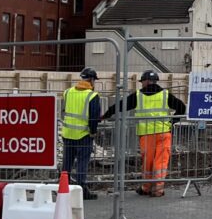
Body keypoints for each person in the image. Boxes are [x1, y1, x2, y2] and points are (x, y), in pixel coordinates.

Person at [101, 69, 186, 197]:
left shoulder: (138, 96)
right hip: (164, 132)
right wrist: (172, 121)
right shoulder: (165, 95)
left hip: (146, 134)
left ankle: (146, 188)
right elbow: (181, 107)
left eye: (142, 82)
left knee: (148, 162)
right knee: (161, 161)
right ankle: (158, 189)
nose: (141, 84)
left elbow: (120, 105)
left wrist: (106, 114)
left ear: (146, 81)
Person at [61, 68, 104, 199]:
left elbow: (64, 111)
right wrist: (93, 132)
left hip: (68, 133)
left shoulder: (67, 92)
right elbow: (93, 117)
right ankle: (81, 190)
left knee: (67, 162)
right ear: (91, 80)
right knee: (82, 163)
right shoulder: (92, 96)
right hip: (83, 135)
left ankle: (63, 187)